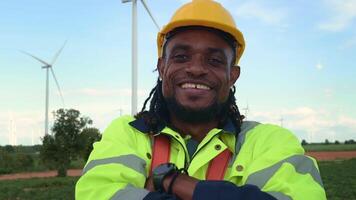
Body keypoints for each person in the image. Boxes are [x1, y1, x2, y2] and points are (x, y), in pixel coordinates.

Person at [76, 0, 327, 199]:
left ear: (233, 75)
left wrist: (173, 182)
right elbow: (97, 193)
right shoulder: (126, 133)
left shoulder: (271, 141)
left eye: (215, 60)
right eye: (181, 57)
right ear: (162, 68)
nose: (196, 69)